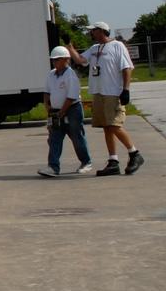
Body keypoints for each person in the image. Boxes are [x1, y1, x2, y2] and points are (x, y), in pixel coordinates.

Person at [68, 21, 143, 176]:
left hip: (112, 93)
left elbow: (126, 68)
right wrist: (70, 46)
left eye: (93, 30)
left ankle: (134, 153)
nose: (90, 33)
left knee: (114, 125)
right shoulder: (94, 48)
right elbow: (80, 60)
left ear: (101, 31)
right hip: (98, 93)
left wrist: (126, 89)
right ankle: (113, 161)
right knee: (106, 127)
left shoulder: (117, 46)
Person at [39, 46, 93, 177]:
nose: (55, 62)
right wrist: (48, 108)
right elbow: (46, 92)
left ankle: (86, 162)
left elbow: (71, 97)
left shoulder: (70, 74)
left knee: (76, 137)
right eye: (53, 60)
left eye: (57, 59)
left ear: (66, 59)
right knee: (54, 138)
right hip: (56, 111)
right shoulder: (51, 74)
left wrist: (62, 112)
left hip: (72, 110)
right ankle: (53, 167)